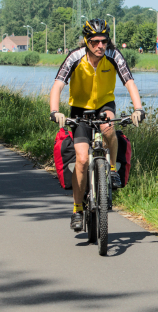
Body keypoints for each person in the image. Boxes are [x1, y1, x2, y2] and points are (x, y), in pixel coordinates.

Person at [48, 19, 145, 232]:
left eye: (104, 41)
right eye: (95, 42)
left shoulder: (114, 55)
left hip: (104, 105)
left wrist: (138, 109)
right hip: (80, 110)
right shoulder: (75, 57)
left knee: (109, 126)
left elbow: (130, 83)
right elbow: (57, 86)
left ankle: (111, 170)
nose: (100, 46)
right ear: (86, 41)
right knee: (82, 159)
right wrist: (55, 112)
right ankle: (77, 209)